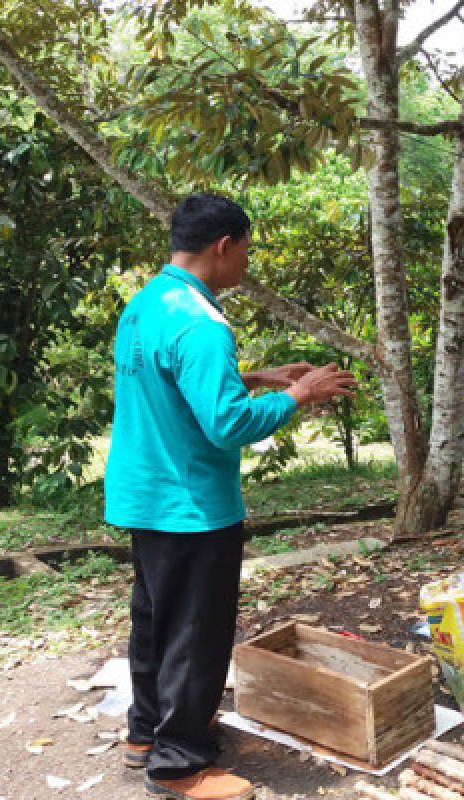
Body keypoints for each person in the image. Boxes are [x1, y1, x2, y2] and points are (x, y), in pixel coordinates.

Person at [104, 193, 356, 800]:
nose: (246, 261)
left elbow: (174, 385)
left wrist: (261, 378)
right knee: (196, 632)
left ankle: (147, 732)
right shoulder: (203, 323)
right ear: (224, 246)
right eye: (245, 249)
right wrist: (300, 397)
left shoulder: (147, 305)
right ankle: (179, 763)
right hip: (192, 505)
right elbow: (225, 424)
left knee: (155, 623)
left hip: (146, 496)